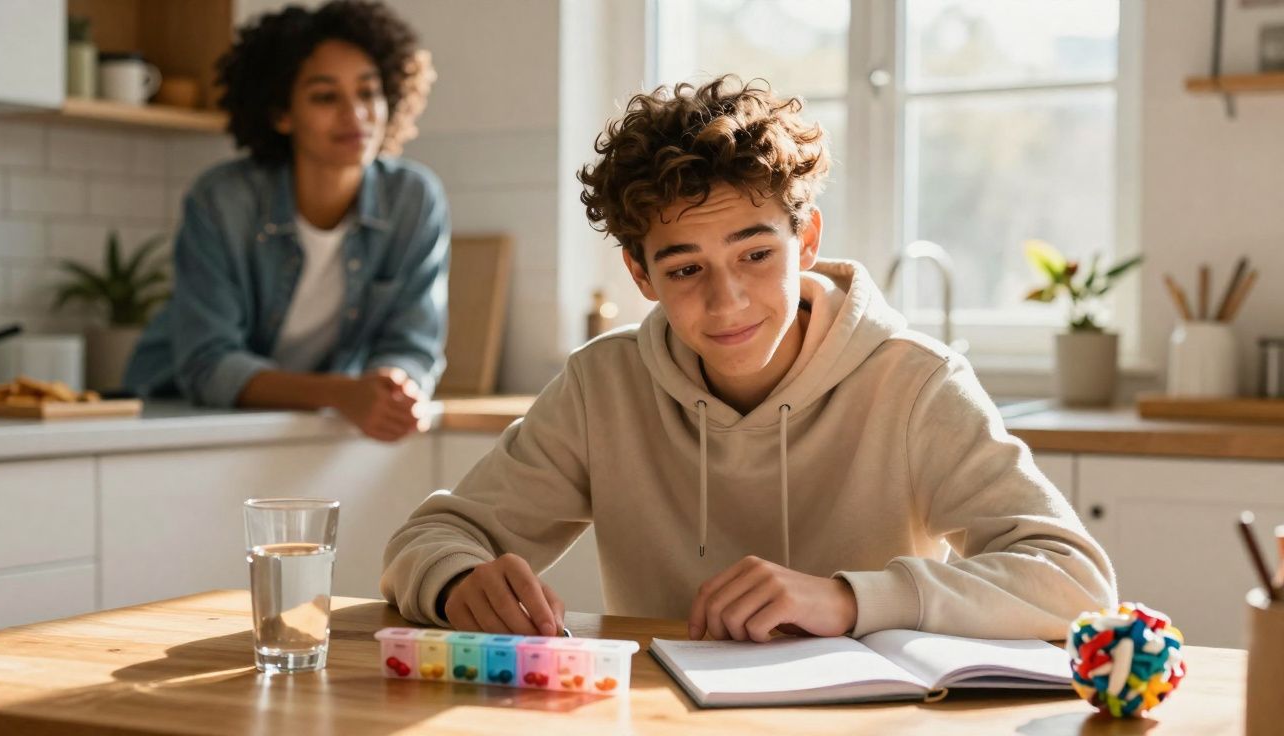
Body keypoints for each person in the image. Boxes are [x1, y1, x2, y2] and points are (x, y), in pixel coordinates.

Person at [381, 77, 1117, 642]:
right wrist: (456, 581)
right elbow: (427, 540)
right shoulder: (602, 385)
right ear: (642, 278)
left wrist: (847, 599)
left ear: (807, 241)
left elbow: (1075, 581)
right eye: (685, 270)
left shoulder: (915, 382)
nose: (727, 301)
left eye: (756, 254)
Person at [124, 0, 447, 442]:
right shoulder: (223, 201)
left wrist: (392, 388)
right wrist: (342, 394)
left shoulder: (413, 199)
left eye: (369, 92)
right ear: (280, 113)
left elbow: (412, 345)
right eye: (325, 96)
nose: (355, 114)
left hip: (311, 423)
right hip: (177, 416)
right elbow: (209, 362)